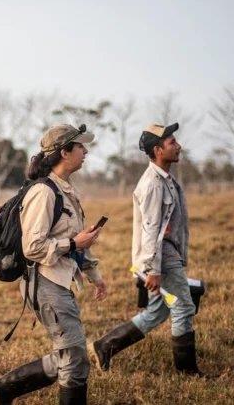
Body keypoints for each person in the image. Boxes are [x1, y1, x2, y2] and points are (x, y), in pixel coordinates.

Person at [0, 124, 108, 405]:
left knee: (69, 354)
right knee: (75, 358)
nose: (86, 151)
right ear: (65, 152)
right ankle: (6, 388)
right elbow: (34, 247)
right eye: (80, 147)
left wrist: (93, 273)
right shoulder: (44, 193)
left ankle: (5, 389)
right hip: (44, 283)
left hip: (58, 280)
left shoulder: (66, 190)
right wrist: (75, 243)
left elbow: (73, 239)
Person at [88, 123, 201, 375]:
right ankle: (188, 372)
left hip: (165, 255)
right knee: (183, 307)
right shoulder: (153, 184)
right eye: (172, 143)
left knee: (157, 312)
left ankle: (104, 346)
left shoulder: (166, 179)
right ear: (158, 150)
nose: (178, 145)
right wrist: (152, 269)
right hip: (161, 257)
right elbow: (151, 230)